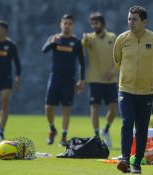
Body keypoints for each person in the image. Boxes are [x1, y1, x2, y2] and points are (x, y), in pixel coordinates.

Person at [113, 6, 153, 174]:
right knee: (127, 123)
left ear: (144, 21)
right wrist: (128, 79)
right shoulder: (122, 39)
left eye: (134, 19)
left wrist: (148, 80)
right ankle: (125, 159)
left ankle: (137, 164)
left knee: (142, 128)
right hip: (125, 89)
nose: (130, 22)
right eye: (129, 19)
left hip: (146, 91)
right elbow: (117, 61)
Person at [42, 14, 85, 146]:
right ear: (61, 24)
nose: (67, 26)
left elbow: (82, 63)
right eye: (65, 23)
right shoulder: (54, 38)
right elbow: (44, 50)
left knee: (66, 108)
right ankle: (52, 129)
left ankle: (64, 136)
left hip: (69, 80)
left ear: (73, 26)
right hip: (55, 77)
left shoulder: (76, 42)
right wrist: (51, 42)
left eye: (69, 24)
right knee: (48, 107)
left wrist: (81, 80)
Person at [82, 12, 118, 147]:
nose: (94, 26)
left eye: (96, 23)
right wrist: (85, 39)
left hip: (111, 80)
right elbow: (84, 45)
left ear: (102, 24)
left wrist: (113, 71)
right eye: (92, 23)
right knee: (95, 108)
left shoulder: (112, 37)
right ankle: (96, 136)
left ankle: (106, 130)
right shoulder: (90, 38)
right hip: (95, 79)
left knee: (113, 108)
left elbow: (119, 56)